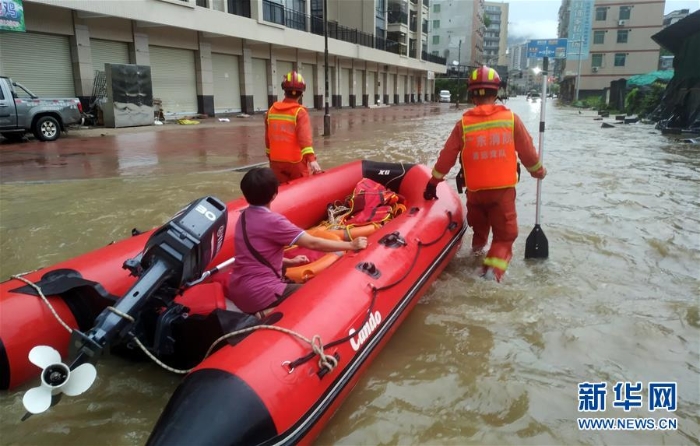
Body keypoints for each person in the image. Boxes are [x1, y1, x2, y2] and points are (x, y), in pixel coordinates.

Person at [423, 65, 547, 282]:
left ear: (471, 94)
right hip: (502, 195)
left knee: (480, 234)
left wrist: (433, 182)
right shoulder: (511, 120)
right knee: (505, 237)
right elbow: (528, 153)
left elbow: (446, 158)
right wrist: (539, 172)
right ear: (497, 92)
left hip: (475, 194)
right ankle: (492, 273)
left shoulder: (463, 124)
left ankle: (476, 260)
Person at [227, 167, 367, 317]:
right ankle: (266, 313)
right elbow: (313, 243)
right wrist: (351, 245)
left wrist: (289, 262)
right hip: (259, 295)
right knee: (317, 294)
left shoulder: (242, 217)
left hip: (238, 290)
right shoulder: (273, 222)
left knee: (286, 277)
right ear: (274, 194)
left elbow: (255, 253)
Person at [265, 71, 322, 184]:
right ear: (301, 93)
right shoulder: (300, 112)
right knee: (300, 191)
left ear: (284, 91)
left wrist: (269, 155)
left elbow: (267, 138)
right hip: (296, 163)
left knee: (280, 192)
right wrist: (312, 160)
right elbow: (304, 139)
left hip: (276, 161)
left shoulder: (271, 111)